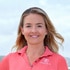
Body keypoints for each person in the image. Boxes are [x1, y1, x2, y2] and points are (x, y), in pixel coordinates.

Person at [0, 7, 68, 70]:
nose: (34, 30)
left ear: (46, 30)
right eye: (28, 26)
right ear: (22, 30)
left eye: (39, 26)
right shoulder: (9, 59)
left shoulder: (59, 61)